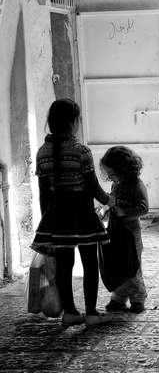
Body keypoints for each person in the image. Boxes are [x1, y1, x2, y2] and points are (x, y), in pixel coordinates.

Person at [31, 98, 116, 327]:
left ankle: (69, 312)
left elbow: (43, 193)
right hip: (83, 215)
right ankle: (90, 313)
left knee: (64, 265)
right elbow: (92, 187)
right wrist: (109, 200)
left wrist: (46, 222)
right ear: (73, 122)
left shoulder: (42, 152)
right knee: (89, 264)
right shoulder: (82, 151)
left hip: (57, 216)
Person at [100, 146, 149, 314]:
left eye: (112, 174)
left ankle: (137, 297)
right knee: (119, 266)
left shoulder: (136, 186)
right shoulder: (116, 185)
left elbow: (143, 208)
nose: (109, 177)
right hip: (116, 232)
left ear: (123, 169)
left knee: (133, 266)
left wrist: (124, 212)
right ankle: (119, 298)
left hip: (131, 233)